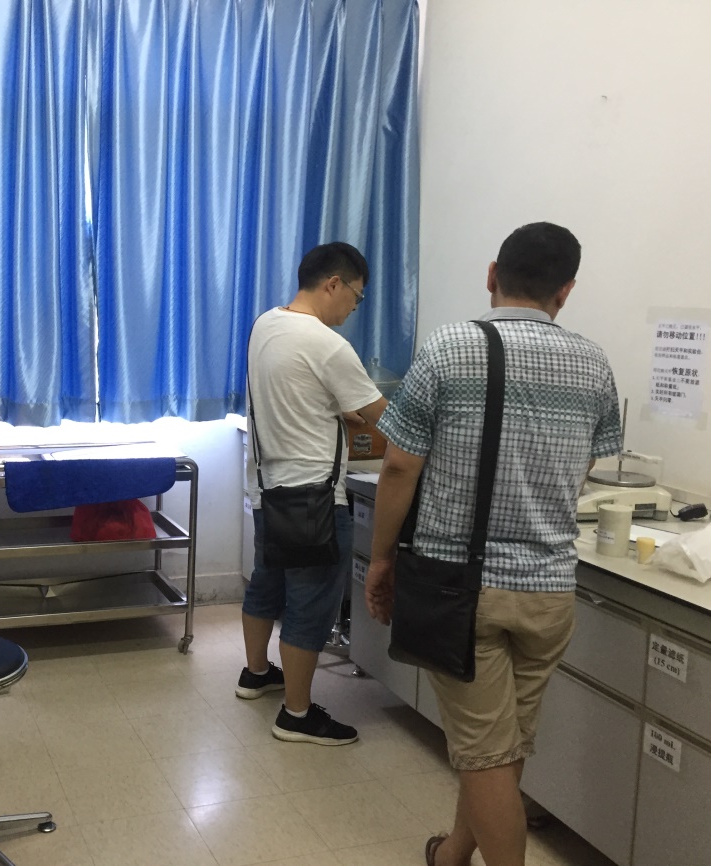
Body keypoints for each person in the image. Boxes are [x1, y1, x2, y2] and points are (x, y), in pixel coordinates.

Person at [364, 223, 621, 866]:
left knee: (486, 754)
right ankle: (453, 852)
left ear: (491, 274)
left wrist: (382, 557)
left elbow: (398, 466)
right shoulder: (595, 363)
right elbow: (586, 468)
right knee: (503, 747)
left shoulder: (449, 348)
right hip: (550, 592)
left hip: (464, 593)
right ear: (565, 291)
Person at [237, 242, 388, 746]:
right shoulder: (327, 344)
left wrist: (335, 409)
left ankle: (256, 673)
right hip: (315, 498)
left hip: (267, 488)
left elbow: (293, 391)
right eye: (356, 297)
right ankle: (297, 714)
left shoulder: (266, 324)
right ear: (333, 284)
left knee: (267, 582)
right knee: (312, 602)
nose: (353, 308)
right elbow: (387, 420)